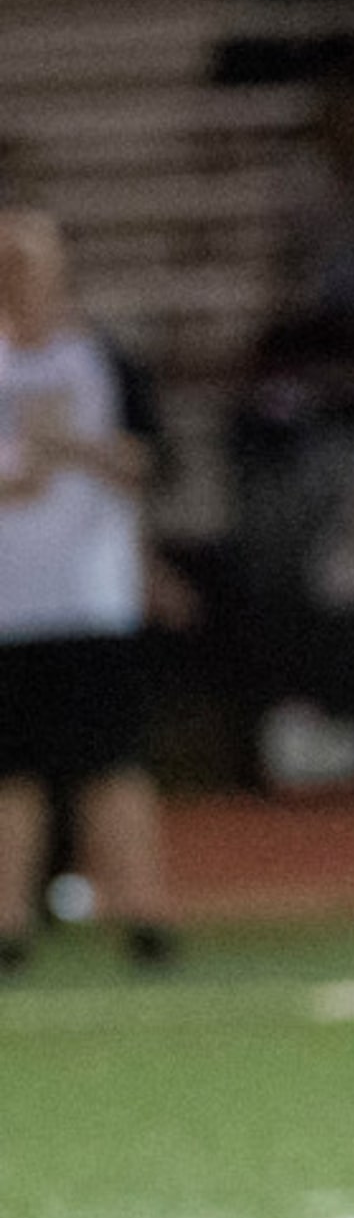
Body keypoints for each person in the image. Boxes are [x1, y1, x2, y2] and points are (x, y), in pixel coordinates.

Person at [0, 210, 183, 977]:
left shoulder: (102, 359)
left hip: (87, 597)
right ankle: (9, 923)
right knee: (12, 773)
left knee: (111, 763)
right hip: (9, 604)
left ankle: (142, 916)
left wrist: (65, 445)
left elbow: (147, 461)